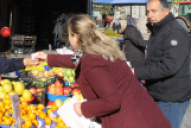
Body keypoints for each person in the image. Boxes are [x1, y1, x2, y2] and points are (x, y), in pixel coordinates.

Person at [34, 14, 170, 128]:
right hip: (142, 115)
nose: (69, 40)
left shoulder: (92, 62)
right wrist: (47, 58)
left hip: (131, 121)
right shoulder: (97, 50)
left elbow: (112, 101)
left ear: (75, 36)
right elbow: (75, 60)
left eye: (70, 35)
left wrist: (83, 108)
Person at [130, 0, 191, 128]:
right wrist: (130, 64)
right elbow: (152, 60)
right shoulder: (159, 31)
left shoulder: (175, 32)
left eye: (154, 11)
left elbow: (169, 66)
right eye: (148, 11)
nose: (149, 15)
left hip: (171, 99)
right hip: (159, 94)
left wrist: (136, 72)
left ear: (166, 11)